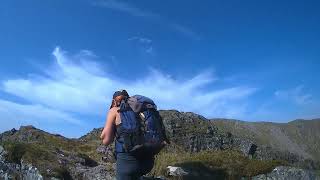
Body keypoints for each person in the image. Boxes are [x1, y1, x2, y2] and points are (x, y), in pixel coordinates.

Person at [100, 90, 154, 180]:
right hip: (148, 161)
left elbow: (106, 141)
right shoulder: (142, 110)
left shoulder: (114, 110)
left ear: (114, 101)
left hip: (127, 162)